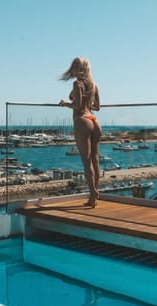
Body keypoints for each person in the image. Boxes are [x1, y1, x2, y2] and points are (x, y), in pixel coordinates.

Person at [59, 57, 101, 208]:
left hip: (82, 119)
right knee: (95, 161)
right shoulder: (94, 84)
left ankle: (93, 194)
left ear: (76, 69)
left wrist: (65, 104)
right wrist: (87, 104)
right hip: (94, 120)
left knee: (86, 161)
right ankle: (94, 195)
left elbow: (77, 106)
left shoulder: (77, 83)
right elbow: (98, 107)